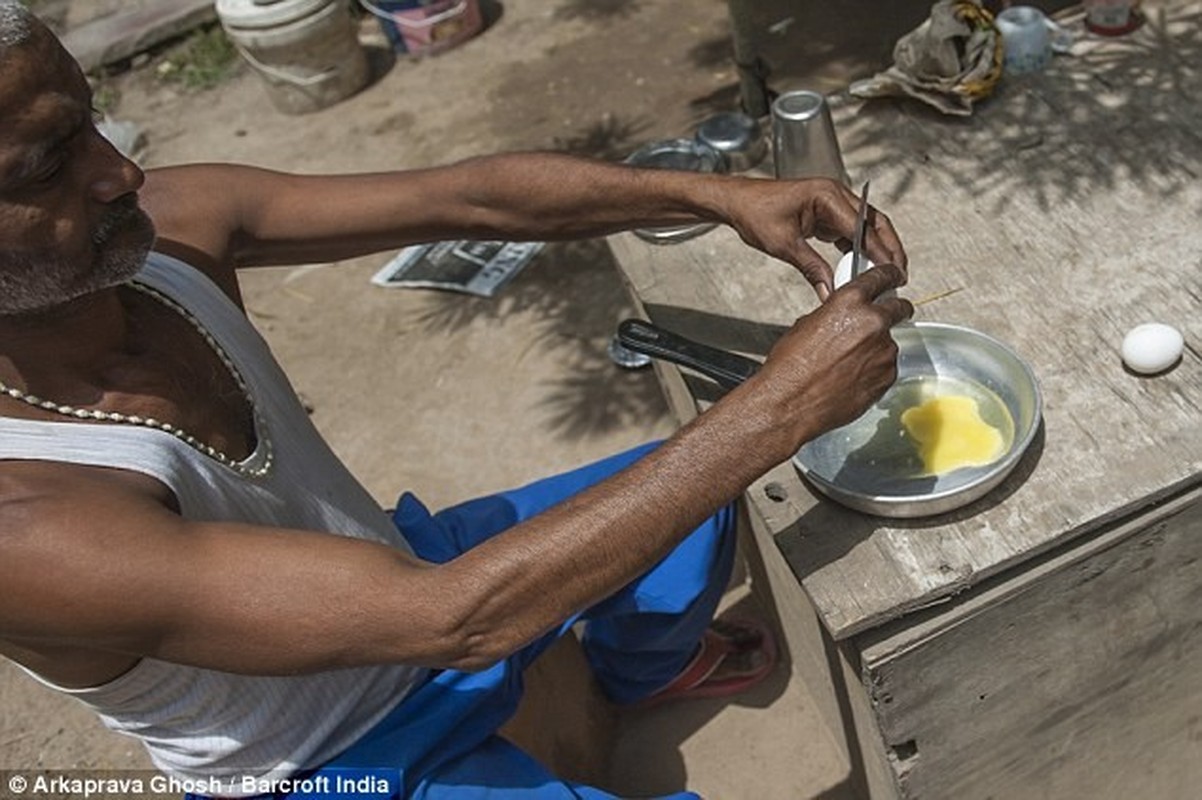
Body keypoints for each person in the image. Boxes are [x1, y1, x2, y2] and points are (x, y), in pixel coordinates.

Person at [0, 4, 911, 798]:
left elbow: (472, 199)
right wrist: (781, 405)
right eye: (47, 166)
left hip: (395, 574)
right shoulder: (26, 528)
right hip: (332, 753)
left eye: (90, 119)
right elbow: (455, 620)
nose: (118, 171)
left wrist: (715, 192)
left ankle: (632, 677)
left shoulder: (167, 239)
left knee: (704, 500)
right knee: (724, 454)